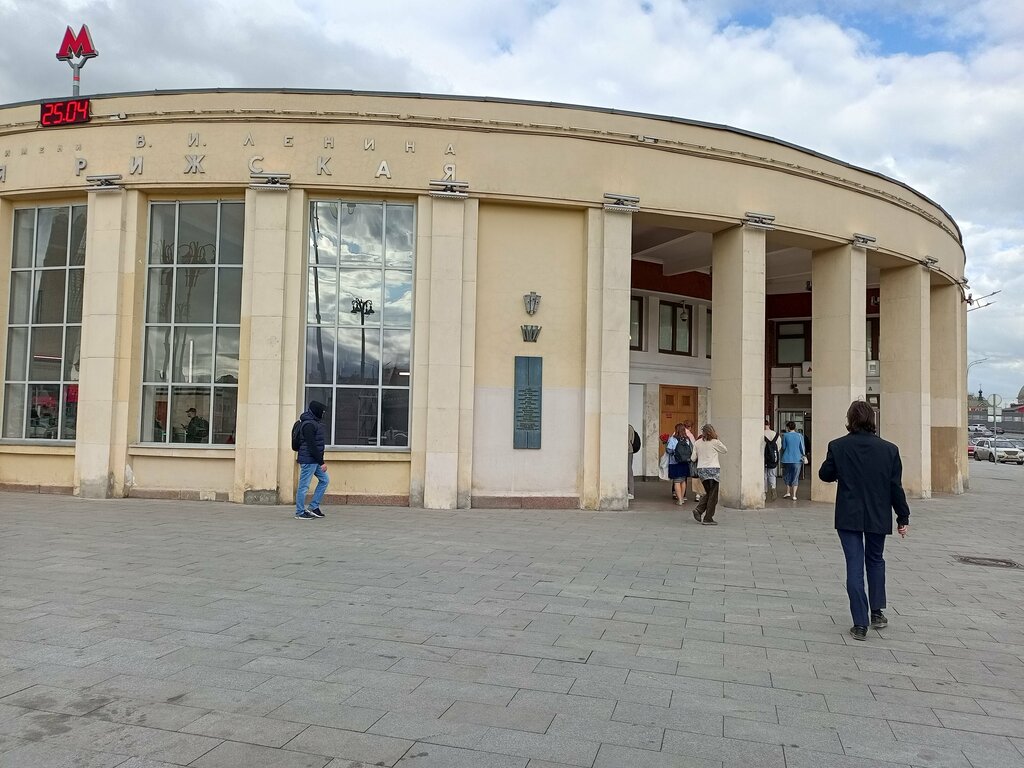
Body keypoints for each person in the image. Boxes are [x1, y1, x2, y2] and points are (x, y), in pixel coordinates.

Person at [818, 400, 910, 641]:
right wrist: (903, 516)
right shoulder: (889, 449)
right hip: (879, 514)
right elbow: (895, 487)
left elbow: (824, 474)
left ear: (850, 419)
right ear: (873, 419)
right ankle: (877, 612)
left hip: (848, 515)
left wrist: (840, 470)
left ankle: (860, 624)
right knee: (876, 560)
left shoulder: (838, 446)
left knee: (854, 567)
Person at [294, 400, 329, 520]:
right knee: (304, 486)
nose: (323, 413)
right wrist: (321, 462)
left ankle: (314, 507)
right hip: (309, 461)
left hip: (314, 460)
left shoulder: (313, 422)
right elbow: (312, 445)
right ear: (316, 411)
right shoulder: (309, 424)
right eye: (322, 411)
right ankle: (300, 512)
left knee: (324, 480)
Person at [691, 424, 727, 525]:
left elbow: (693, 458)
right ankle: (708, 518)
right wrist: (717, 440)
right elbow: (725, 450)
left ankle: (698, 510)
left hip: (702, 470)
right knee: (713, 495)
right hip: (713, 470)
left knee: (709, 492)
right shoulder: (715, 442)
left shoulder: (697, 443)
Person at [664, 423, 692, 506]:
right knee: (683, 480)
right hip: (685, 462)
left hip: (674, 462)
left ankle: (679, 500)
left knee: (676, 481)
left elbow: (669, 450)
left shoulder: (673, 439)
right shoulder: (687, 439)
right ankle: (682, 498)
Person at [780, 421, 806, 499]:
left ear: (788, 427)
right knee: (796, 476)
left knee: (787, 475)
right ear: (795, 427)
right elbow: (802, 447)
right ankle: (794, 495)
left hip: (786, 459)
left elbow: (783, 447)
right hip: (797, 459)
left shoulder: (785, 436)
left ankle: (788, 492)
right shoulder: (799, 436)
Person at [764, 415, 780, 502]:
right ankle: (773, 488)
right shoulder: (775, 434)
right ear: (769, 425)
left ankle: (764, 492)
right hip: (773, 459)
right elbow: (779, 446)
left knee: (764, 476)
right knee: (772, 475)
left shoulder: (761, 434)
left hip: (763, 459)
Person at [627, 424, 639, 501]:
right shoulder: (630, 427)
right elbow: (632, 439)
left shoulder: (627, 427)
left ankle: (631, 492)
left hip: (627, 451)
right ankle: (630, 492)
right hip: (629, 450)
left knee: (628, 471)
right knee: (629, 470)